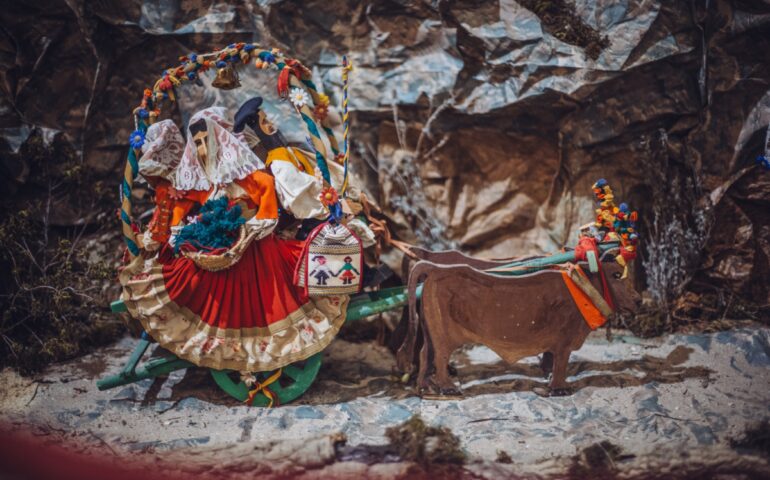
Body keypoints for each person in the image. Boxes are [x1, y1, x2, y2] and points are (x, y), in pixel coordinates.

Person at [120, 107, 348, 374]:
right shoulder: (201, 179)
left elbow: (264, 186)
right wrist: (176, 228)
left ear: (219, 141)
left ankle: (264, 345)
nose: (203, 149)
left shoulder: (240, 171)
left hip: (254, 243)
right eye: (198, 144)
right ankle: (221, 343)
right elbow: (184, 202)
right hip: (220, 247)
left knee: (266, 293)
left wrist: (262, 218)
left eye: (206, 141)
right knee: (195, 282)